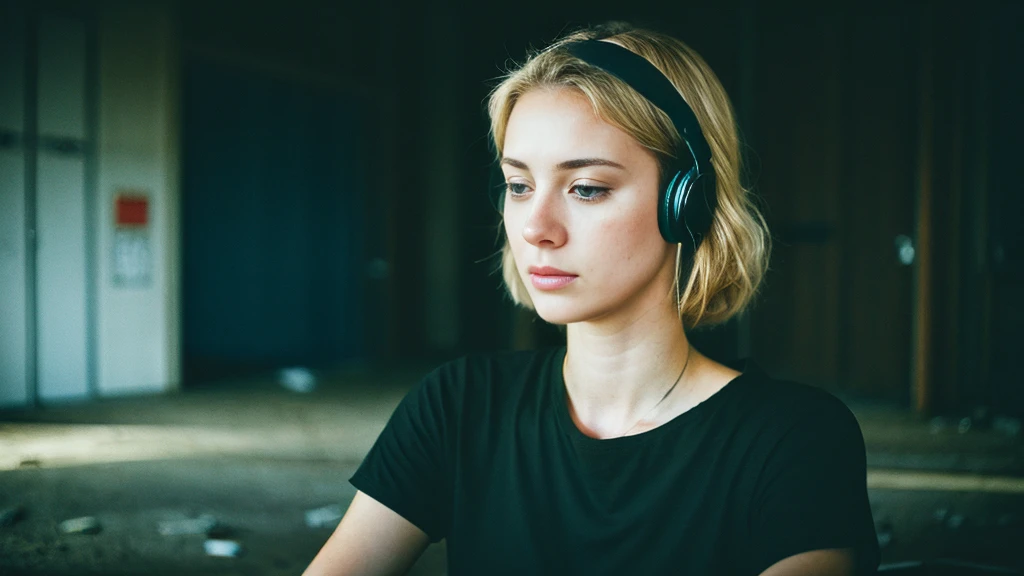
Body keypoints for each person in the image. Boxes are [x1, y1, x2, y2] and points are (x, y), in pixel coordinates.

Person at [304, 22, 879, 576]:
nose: (536, 227)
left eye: (586, 188)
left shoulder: (794, 439)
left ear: (687, 204)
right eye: (519, 186)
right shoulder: (459, 405)